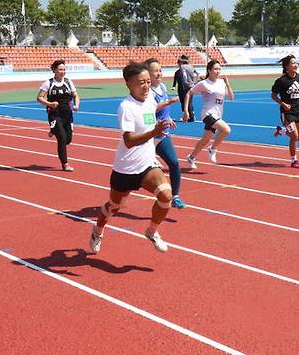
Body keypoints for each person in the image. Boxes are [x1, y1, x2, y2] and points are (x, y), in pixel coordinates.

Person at [89, 62, 172, 254]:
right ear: (129, 84)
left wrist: (164, 120)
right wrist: (154, 132)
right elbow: (128, 141)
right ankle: (97, 230)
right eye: (141, 82)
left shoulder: (150, 97)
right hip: (125, 168)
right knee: (114, 207)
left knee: (166, 195)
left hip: (147, 164)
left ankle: (152, 231)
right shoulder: (126, 107)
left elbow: (150, 115)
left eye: (148, 82)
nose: (146, 86)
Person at [145, 58, 186, 209]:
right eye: (155, 71)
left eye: (160, 70)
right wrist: (166, 105)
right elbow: (148, 112)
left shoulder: (162, 86)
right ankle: (120, 193)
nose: (159, 73)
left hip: (162, 135)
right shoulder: (147, 92)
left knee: (174, 163)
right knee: (139, 171)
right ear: (148, 73)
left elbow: (163, 109)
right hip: (148, 136)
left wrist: (168, 117)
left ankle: (175, 196)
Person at [183, 60, 234, 168]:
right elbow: (189, 93)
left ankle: (191, 157)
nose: (218, 71)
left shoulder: (221, 82)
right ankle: (213, 148)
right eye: (215, 69)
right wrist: (186, 110)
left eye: (219, 69)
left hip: (218, 114)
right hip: (208, 114)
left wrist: (227, 83)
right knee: (226, 130)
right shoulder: (204, 83)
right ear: (209, 70)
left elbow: (231, 97)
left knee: (205, 139)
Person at [37, 60, 80, 172]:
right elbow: (39, 97)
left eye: (64, 69)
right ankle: (65, 164)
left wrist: (76, 105)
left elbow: (76, 96)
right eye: (60, 69)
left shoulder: (68, 82)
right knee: (62, 138)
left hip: (67, 114)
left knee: (68, 140)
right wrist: (50, 104)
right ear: (54, 70)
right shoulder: (49, 83)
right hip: (55, 114)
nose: (63, 72)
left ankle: (53, 130)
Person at [271, 54, 299, 169]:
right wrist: (283, 104)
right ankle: (294, 160)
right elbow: (273, 96)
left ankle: (281, 132)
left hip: (298, 111)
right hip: (287, 113)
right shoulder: (281, 81)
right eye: (293, 63)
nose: (296, 65)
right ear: (286, 66)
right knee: (294, 136)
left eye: (296, 63)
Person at [171, 54, 196, 121]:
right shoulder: (177, 72)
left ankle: (191, 116)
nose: (178, 64)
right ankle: (187, 115)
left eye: (179, 63)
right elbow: (175, 80)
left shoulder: (185, 70)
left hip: (185, 88)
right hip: (182, 88)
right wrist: (173, 86)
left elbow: (185, 78)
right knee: (184, 102)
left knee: (188, 102)